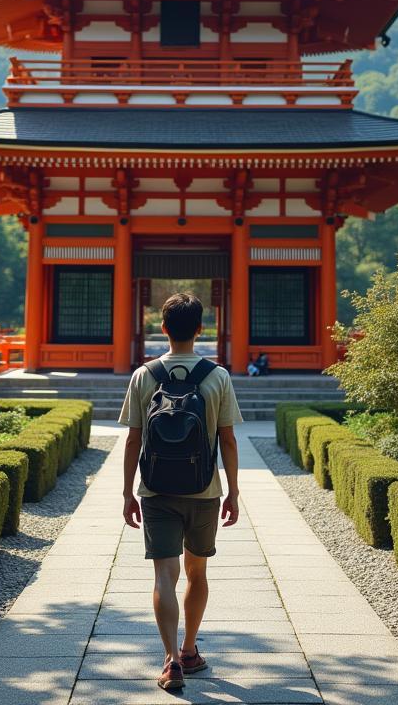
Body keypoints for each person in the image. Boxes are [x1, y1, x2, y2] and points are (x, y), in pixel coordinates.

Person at [119, 292, 243, 691]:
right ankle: (190, 649)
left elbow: (133, 440)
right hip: (204, 490)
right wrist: (233, 492)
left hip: (155, 489)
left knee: (163, 576)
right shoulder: (217, 376)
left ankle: (171, 660)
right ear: (201, 329)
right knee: (197, 572)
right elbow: (228, 440)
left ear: (163, 328)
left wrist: (127, 493)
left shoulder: (144, 375)